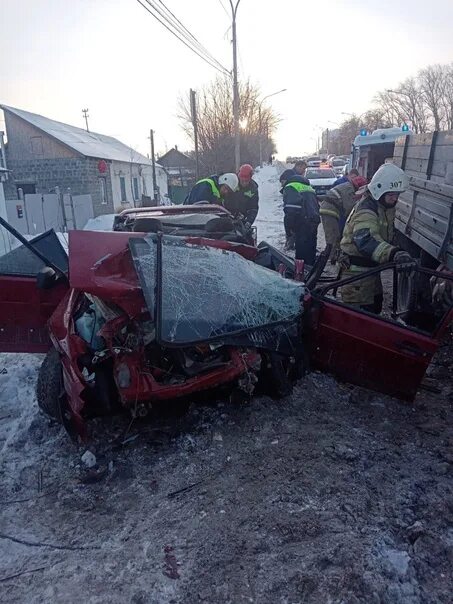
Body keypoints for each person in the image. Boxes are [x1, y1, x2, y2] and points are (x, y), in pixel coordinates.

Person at [339, 163, 416, 314]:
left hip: (369, 272)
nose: (395, 199)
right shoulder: (367, 210)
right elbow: (366, 241)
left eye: (397, 195)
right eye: (391, 195)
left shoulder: (381, 206)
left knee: (375, 309)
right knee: (361, 320)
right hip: (358, 277)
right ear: (379, 191)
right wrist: (394, 253)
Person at [320, 175, 367, 263]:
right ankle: (331, 258)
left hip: (330, 209)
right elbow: (348, 208)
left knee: (335, 235)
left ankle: (332, 255)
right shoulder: (349, 189)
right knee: (333, 236)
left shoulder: (347, 185)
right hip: (329, 211)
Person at [281, 171, 320, 265]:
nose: (281, 185)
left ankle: (301, 273)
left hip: (302, 222)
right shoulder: (308, 186)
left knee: (301, 252)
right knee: (311, 248)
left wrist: (289, 230)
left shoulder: (290, 186)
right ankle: (311, 269)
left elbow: (291, 210)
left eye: (281, 182)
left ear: (285, 179)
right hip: (314, 219)